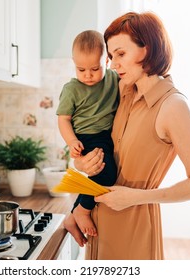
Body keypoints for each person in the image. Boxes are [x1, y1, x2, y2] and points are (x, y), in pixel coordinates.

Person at [63, 11, 190, 259]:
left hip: (134, 232)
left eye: (120, 54)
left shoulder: (172, 106)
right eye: (110, 56)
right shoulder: (121, 91)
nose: (112, 64)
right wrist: (80, 163)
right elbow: (95, 142)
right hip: (97, 228)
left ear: (147, 49)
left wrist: (137, 197)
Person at [56, 30, 119, 237]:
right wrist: (72, 141)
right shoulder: (72, 89)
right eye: (81, 69)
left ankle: (73, 216)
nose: (88, 75)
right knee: (106, 173)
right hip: (85, 137)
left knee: (100, 175)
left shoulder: (113, 79)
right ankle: (82, 211)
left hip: (105, 136)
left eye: (95, 68)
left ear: (107, 61)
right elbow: (64, 119)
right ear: (73, 62)